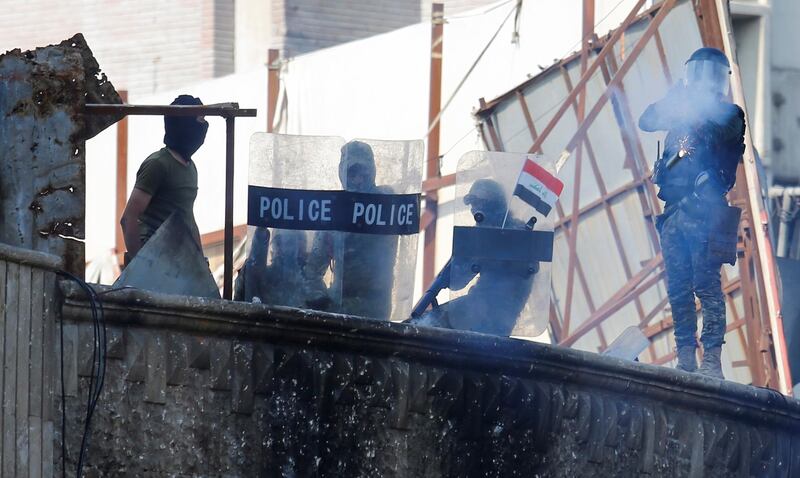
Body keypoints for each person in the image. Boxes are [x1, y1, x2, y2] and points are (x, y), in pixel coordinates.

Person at [639, 48, 745, 379]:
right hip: (674, 214)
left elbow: (710, 134)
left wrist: (689, 109)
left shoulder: (730, 114)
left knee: (707, 286)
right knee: (679, 288)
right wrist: (675, 100)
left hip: (706, 214)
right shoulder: (683, 109)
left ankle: (711, 361)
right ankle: (685, 356)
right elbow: (647, 120)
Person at [413, 179, 533, 336]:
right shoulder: (521, 230)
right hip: (498, 315)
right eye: (472, 205)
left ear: (492, 204)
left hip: (485, 310)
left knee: (420, 328)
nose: (473, 210)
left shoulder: (508, 233)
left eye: (477, 204)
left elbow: (457, 282)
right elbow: (456, 281)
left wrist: (469, 249)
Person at [302, 141, 398, 319]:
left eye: (364, 173)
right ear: (342, 174)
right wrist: (323, 303)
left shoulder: (385, 202)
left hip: (377, 311)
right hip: (341, 312)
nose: (358, 180)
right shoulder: (334, 211)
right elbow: (312, 272)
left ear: (373, 172)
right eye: (351, 173)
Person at [120, 95, 208, 265]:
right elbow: (128, 218)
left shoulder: (190, 166)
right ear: (186, 125)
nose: (203, 127)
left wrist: (200, 260)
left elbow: (188, 216)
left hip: (179, 259)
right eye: (199, 120)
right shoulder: (158, 164)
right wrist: (141, 265)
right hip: (156, 258)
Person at [233, 227, 308, 306]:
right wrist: (261, 234)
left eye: (290, 242)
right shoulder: (258, 276)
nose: (282, 246)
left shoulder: (308, 284)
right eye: (278, 241)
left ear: (300, 248)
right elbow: (238, 303)